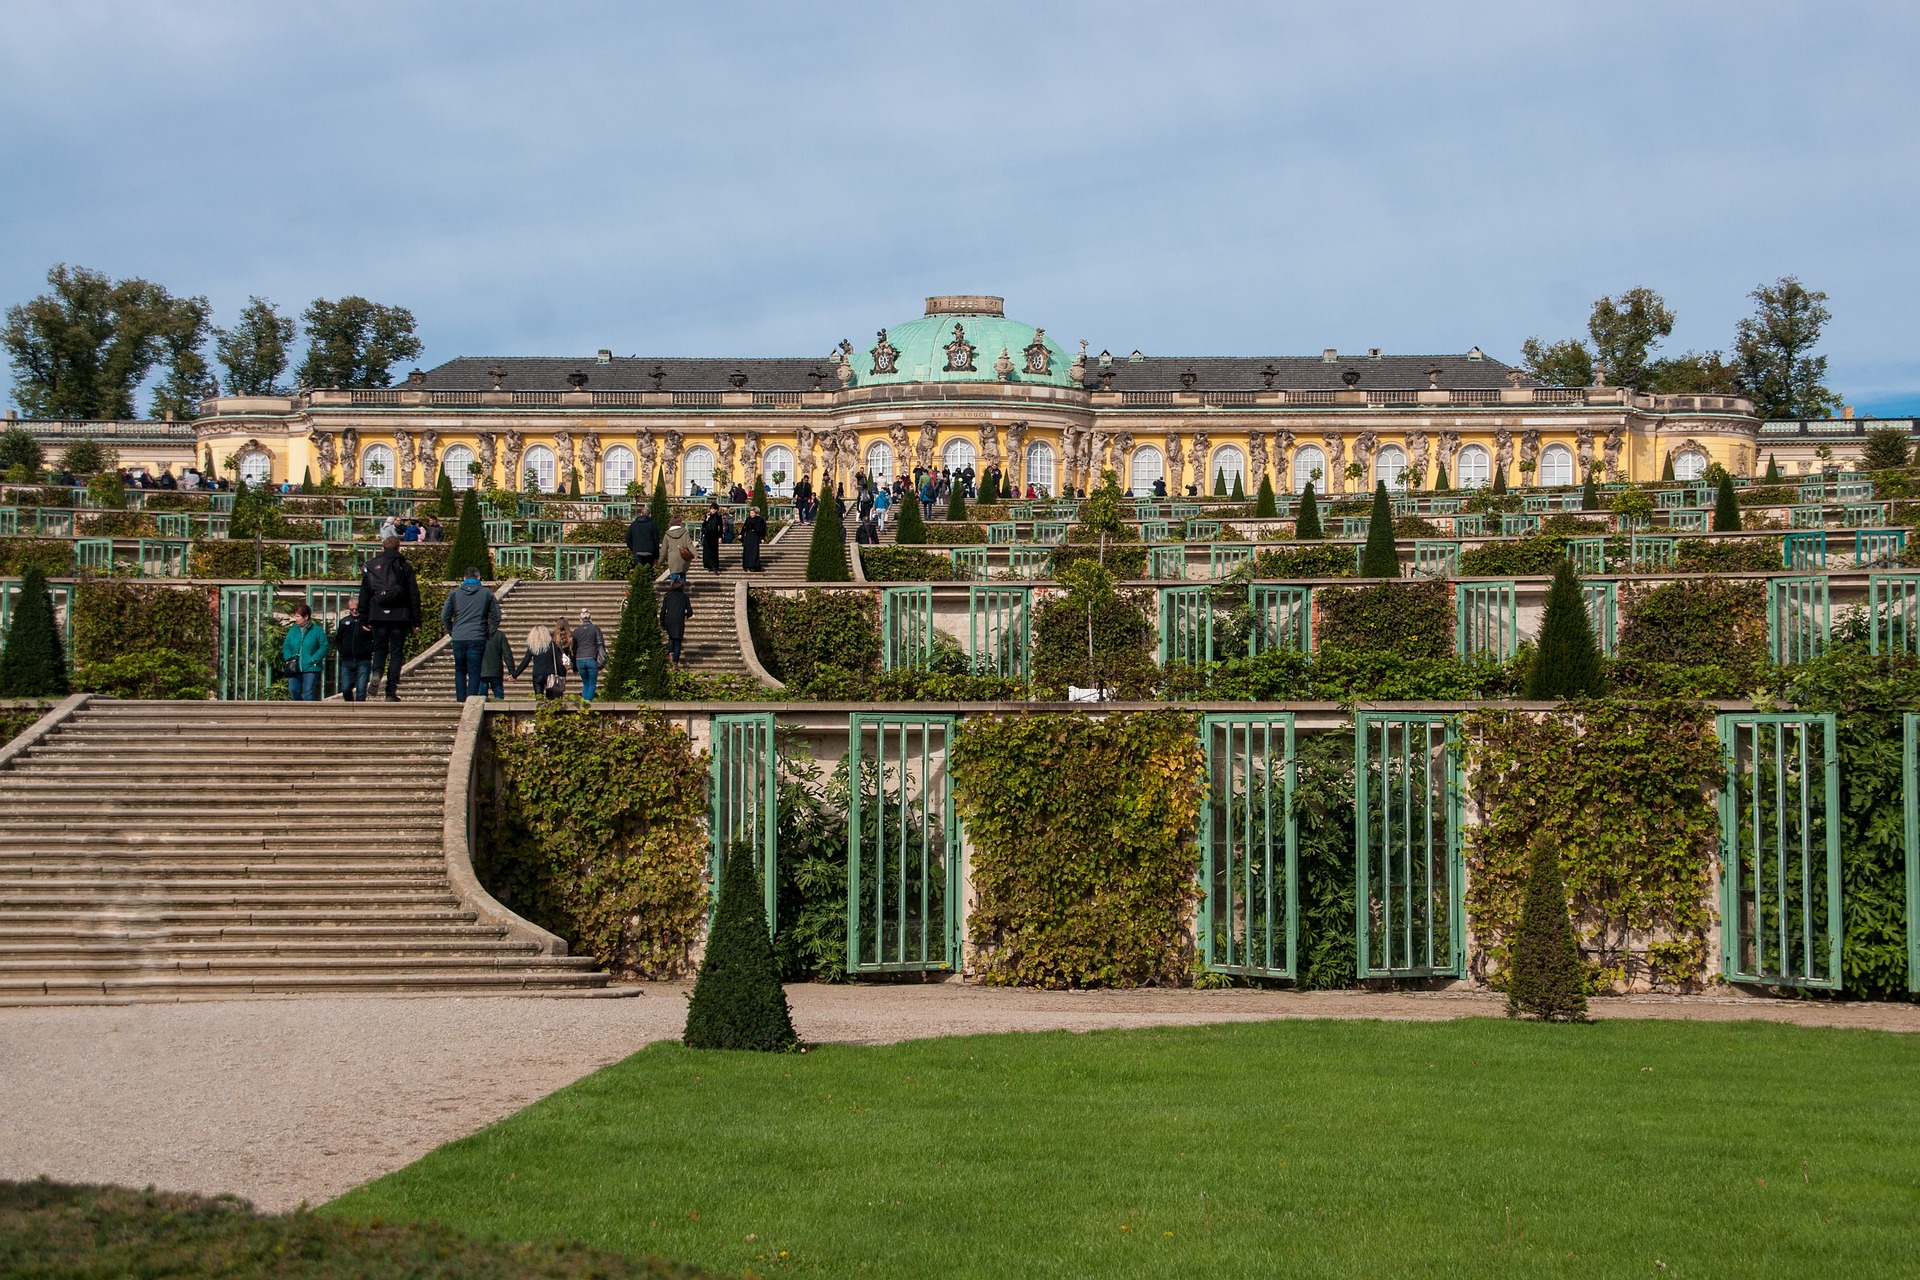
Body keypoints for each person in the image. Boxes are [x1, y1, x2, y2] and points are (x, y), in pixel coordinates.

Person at [357, 536, 421, 701]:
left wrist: (364, 617)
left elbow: (364, 593)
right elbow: (413, 594)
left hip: (378, 614)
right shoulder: (404, 567)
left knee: (379, 648)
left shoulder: (373, 566)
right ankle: (390, 691)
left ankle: (377, 672)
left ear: (382, 548)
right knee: (396, 652)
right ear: (399, 548)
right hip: (400, 615)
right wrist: (416, 620)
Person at [438, 566, 500, 701]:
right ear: (479, 577)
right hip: (477, 636)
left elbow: (445, 616)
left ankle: (460, 700)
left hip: (459, 637)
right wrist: (488, 634)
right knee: (475, 670)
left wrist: (452, 631)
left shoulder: (454, 594)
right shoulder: (487, 593)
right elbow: (496, 617)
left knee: (460, 669)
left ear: (464, 578)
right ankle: (471, 700)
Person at [281, 604, 328, 702]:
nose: (296, 619)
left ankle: (308, 710)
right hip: (294, 666)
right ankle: (299, 708)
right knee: (293, 690)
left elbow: (324, 646)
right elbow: (286, 645)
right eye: (295, 616)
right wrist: (289, 658)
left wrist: (314, 659)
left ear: (306, 616)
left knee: (308, 691)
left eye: (298, 616)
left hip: (311, 666)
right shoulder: (293, 630)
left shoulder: (317, 630)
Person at [333, 597, 375, 702]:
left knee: (361, 689)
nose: (354, 611)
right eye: (352, 609)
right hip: (347, 660)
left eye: (356, 609)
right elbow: (338, 639)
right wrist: (342, 650)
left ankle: (360, 709)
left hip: (363, 660)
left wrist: (368, 649)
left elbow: (376, 639)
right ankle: (349, 706)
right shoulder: (344, 622)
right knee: (346, 688)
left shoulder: (368, 622)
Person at [510, 624, 565, 698]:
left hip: (537, 674)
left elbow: (525, 661)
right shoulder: (552, 645)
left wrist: (515, 674)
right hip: (550, 674)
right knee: (551, 699)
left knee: (539, 698)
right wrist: (561, 674)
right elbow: (559, 661)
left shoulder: (533, 646)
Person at [572, 608, 607, 701]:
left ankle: (584, 701)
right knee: (592, 683)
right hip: (591, 657)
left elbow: (574, 647)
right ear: (590, 618)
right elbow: (600, 643)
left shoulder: (576, 631)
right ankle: (587, 702)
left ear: (580, 619)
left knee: (585, 683)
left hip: (579, 659)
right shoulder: (595, 629)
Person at [659, 577, 693, 665]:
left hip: (669, 619)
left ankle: (671, 652)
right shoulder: (684, 597)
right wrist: (685, 615)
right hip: (679, 621)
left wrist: (661, 621)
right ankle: (675, 662)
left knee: (671, 637)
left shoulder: (667, 595)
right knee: (677, 641)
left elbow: (663, 610)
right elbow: (690, 612)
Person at [479, 622, 513, 700]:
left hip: (481, 670)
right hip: (496, 670)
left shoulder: (477, 635)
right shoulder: (499, 634)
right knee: (498, 695)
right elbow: (507, 654)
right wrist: (511, 671)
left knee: (481, 697)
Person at [625, 506, 660, 570]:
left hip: (637, 551)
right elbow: (656, 540)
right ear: (650, 515)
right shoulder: (653, 525)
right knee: (648, 571)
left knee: (639, 571)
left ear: (641, 514)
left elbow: (628, 537)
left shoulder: (634, 524)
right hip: (649, 551)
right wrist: (656, 556)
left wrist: (632, 548)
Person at [740, 504, 767, 571]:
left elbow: (763, 529)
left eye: (752, 513)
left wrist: (762, 538)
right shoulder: (748, 519)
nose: (751, 514)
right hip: (749, 535)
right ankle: (747, 565)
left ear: (756, 513)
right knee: (747, 550)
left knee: (754, 551)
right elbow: (744, 527)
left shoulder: (760, 520)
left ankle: (754, 565)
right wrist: (741, 534)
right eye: (750, 513)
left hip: (755, 536)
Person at [701, 501, 723, 572]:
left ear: (716, 510)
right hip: (707, 535)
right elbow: (704, 525)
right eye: (711, 509)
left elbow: (720, 527)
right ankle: (709, 565)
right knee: (707, 551)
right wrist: (707, 519)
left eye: (713, 509)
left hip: (714, 536)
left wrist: (720, 537)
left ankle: (714, 565)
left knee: (714, 551)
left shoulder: (718, 517)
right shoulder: (707, 516)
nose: (712, 510)